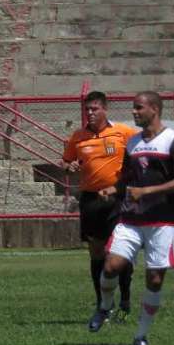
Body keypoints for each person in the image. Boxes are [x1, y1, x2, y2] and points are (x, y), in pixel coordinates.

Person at [91, 91, 174, 345]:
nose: (134, 112)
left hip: (162, 222)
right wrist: (114, 189)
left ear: (154, 110)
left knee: (154, 280)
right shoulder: (133, 143)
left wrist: (145, 192)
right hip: (132, 219)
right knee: (111, 265)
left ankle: (140, 335)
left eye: (138, 108)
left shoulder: (173, 140)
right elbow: (127, 179)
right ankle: (104, 306)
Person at [62, 91, 137, 320]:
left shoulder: (123, 133)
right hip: (91, 199)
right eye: (87, 109)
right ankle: (103, 304)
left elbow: (141, 156)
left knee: (118, 252)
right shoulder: (78, 136)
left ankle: (124, 296)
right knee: (96, 253)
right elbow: (66, 162)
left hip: (116, 199)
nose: (90, 113)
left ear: (105, 109)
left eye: (95, 109)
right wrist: (69, 166)